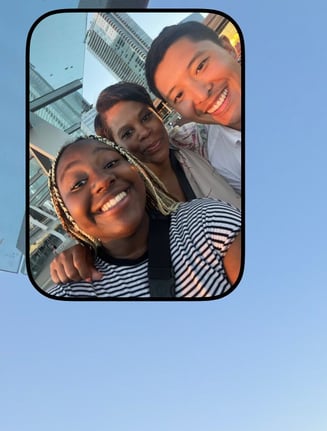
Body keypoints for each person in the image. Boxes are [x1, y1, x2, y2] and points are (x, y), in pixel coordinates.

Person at [49, 82, 241, 287]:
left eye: (146, 117)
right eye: (127, 133)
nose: (143, 132)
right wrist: (84, 251)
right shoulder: (128, 204)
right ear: (116, 149)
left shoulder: (196, 142)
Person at [45, 136, 241, 299]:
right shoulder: (70, 294)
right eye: (78, 183)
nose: (102, 181)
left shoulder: (205, 220)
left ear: (136, 168)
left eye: (111, 163)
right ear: (67, 215)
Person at [145, 21, 242, 193]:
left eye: (200, 67)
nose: (201, 95)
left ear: (228, 49)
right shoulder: (220, 159)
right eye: (179, 95)